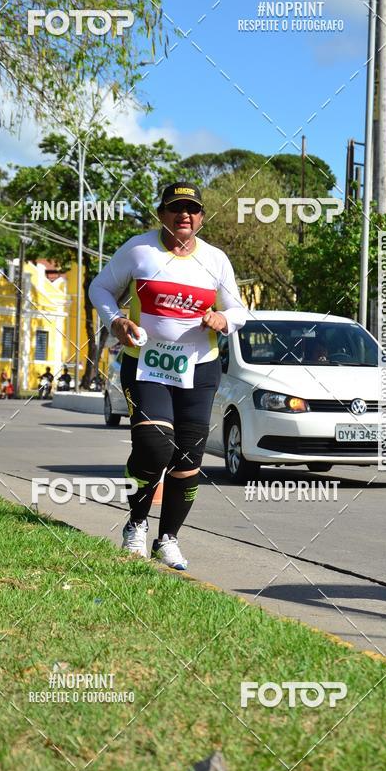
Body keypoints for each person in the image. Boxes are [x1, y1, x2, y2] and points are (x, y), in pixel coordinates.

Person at [89, 180, 247, 570]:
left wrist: (223, 319)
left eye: (192, 209)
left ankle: (168, 539)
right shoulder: (139, 250)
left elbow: (238, 310)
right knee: (155, 447)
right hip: (146, 364)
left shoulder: (215, 260)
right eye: (175, 209)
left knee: (187, 461)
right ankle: (136, 526)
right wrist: (116, 321)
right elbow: (100, 288)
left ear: (202, 218)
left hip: (199, 369)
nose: (184, 215)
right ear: (162, 214)